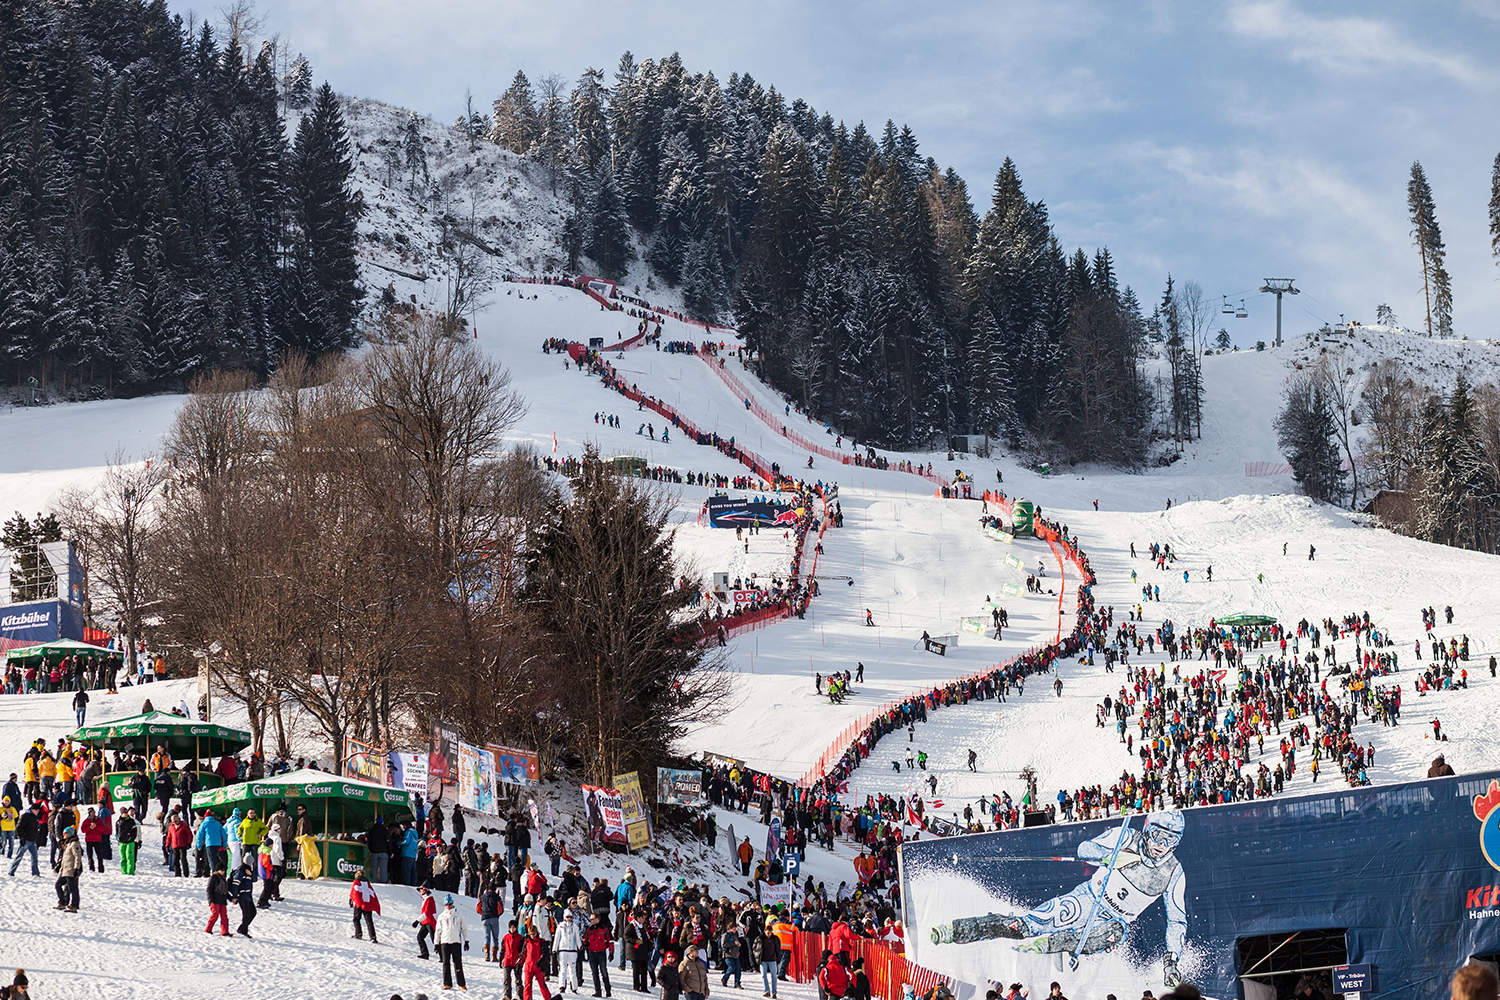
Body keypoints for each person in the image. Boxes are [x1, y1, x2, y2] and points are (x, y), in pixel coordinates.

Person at [436, 894, 470, 991]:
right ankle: (447, 983)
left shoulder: (459, 915)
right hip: (445, 942)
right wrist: (436, 943)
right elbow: (438, 930)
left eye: (450, 904)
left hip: (456, 942)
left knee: (458, 963)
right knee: (446, 963)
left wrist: (466, 940)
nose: (448, 906)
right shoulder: (442, 916)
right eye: (446, 904)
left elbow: (464, 928)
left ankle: (461, 983)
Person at [554, 908, 583, 993]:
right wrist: (554, 949)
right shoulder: (560, 926)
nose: (569, 919)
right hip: (563, 949)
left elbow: (577, 938)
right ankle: (562, 986)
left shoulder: (575, 927)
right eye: (567, 917)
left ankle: (574, 987)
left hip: (573, 950)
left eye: (570, 917)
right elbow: (557, 938)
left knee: (573, 969)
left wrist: (580, 946)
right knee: (563, 969)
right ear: (564, 917)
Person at [586, 911, 614, 996]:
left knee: (603, 971)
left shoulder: (604, 929)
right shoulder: (588, 930)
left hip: (601, 953)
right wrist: (585, 945)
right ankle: (598, 991)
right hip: (592, 953)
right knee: (594, 973)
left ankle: (608, 989)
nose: (590, 920)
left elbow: (611, 941)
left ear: (597, 919)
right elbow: (585, 940)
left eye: (592, 919)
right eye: (590, 919)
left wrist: (611, 952)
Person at [54, 825, 82, 912]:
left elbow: (77, 856)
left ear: (70, 834)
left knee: (73, 888)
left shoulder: (74, 843)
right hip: (65, 870)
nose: (63, 835)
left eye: (65, 833)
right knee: (58, 885)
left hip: (71, 870)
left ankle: (74, 905)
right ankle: (63, 902)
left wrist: (76, 868)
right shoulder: (68, 843)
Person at [522, 923, 552, 1000]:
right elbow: (523, 954)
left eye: (534, 934)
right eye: (531, 934)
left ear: (537, 933)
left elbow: (545, 954)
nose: (532, 936)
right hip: (528, 967)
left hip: (539, 967)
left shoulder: (542, 942)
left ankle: (548, 998)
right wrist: (520, 964)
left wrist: (541, 961)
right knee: (527, 985)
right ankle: (527, 998)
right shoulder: (527, 942)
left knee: (542, 984)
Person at [350, 869, 381, 942]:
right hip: (368, 903)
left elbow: (354, 893)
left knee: (356, 919)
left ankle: (358, 933)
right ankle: (373, 937)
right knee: (369, 921)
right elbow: (372, 893)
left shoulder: (356, 882)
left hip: (359, 903)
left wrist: (351, 901)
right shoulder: (367, 883)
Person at [753, 921, 779, 998]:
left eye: (770, 933)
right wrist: (757, 956)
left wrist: (778, 958)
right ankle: (767, 991)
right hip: (763, 959)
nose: (769, 934)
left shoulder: (775, 939)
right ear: (764, 931)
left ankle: (774, 992)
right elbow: (754, 947)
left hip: (772, 959)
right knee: (764, 976)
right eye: (767, 933)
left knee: (774, 976)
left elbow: (778, 949)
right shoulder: (760, 938)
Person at [206, 865, 232, 936]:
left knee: (224, 917)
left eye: (224, 870)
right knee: (215, 915)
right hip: (215, 900)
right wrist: (210, 900)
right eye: (222, 870)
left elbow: (225, 891)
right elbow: (209, 890)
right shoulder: (213, 878)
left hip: (222, 900)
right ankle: (208, 929)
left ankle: (225, 931)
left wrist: (231, 899)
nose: (223, 872)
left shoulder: (223, 878)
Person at [502, 918, 525, 994]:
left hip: (516, 962)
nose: (512, 929)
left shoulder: (520, 938)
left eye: (514, 927)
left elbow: (522, 951)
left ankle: (519, 995)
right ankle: (507, 995)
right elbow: (503, 949)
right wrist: (501, 959)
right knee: (506, 980)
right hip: (507, 961)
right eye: (511, 927)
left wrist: (520, 961)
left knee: (518, 980)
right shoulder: (505, 937)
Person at [116, 806, 138, 875]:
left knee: (129, 857)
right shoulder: (118, 822)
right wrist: (118, 839)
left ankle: (130, 872)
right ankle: (124, 871)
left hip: (130, 842)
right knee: (123, 858)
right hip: (121, 842)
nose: (126, 814)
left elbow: (135, 831)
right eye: (124, 812)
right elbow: (117, 832)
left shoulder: (131, 821)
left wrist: (131, 838)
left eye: (126, 812)